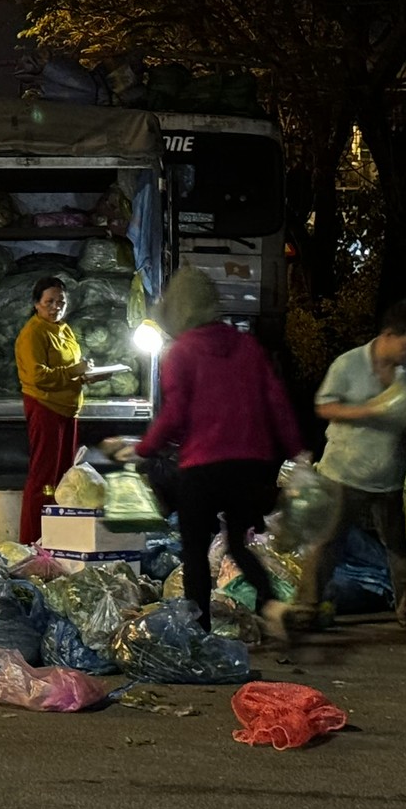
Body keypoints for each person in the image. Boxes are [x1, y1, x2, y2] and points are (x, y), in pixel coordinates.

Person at [132, 268, 307, 646]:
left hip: (203, 465)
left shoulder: (181, 352)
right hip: (249, 466)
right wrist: (297, 452)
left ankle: (200, 637)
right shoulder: (247, 346)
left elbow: (176, 413)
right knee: (239, 544)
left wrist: (144, 449)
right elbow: (277, 402)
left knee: (195, 552)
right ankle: (273, 606)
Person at [296, 299, 406, 632]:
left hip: (390, 476)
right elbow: (324, 406)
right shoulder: (349, 364)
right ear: (388, 335)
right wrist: (366, 411)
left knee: (402, 548)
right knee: (326, 543)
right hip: (343, 471)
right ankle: (305, 610)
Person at [15, 275, 105, 544]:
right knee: (45, 479)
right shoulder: (33, 333)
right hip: (46, 408)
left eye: (61, 303)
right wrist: (73, 372)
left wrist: (85, 375)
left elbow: (71, 368)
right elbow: (39, 376)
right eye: (49, 302)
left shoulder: (64, 330)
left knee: (65, 478)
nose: (55, 307)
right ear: (36, 304)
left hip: (68, 410)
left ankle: (57, 540)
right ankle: (33, 540)